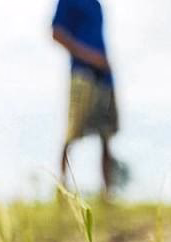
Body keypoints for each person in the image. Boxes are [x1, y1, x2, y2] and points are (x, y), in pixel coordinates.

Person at [52, 0, 118, 196]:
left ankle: (108, 193)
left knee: (106, 135)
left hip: (105, 77)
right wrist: (90, 57)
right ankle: (63, 190)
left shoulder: (96, 4)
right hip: (83, 74)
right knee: (72, 131)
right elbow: (56, 32)